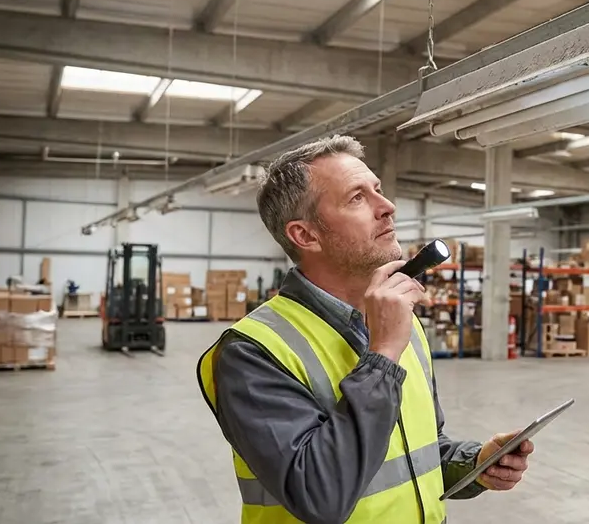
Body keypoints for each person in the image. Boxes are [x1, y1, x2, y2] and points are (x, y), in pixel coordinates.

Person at [197, 135, 533, 524]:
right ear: (305, 235)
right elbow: (319, 495)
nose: (387, 206)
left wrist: (473, 462)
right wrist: (383, 354)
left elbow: (416, 450)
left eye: (378, 189)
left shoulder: (404, 324)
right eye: (357, 197)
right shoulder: (253, 351)